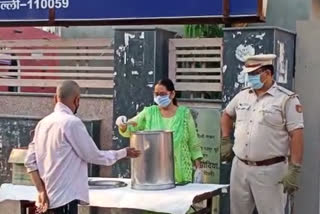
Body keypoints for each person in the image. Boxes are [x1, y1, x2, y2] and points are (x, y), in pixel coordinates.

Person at [25, 80, 140, 214]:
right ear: (77, 100)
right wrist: (123, 153)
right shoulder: (72, 123)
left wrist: (41, 191)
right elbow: (94, 156)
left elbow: (29, 162)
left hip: (47, 200)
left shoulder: (42, 124)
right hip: (66, 198)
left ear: (55, 99)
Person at [220, 54, 304, 214]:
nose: (250, 77)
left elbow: (297, 135)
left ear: (268, 73)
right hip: (240, 167)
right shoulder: (243, 95)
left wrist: (295, 168)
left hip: (270, 170)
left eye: (254, 73)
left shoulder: (286, 99)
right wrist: (225, 139)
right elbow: (226, 115)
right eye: (249, 74)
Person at [116, 78, 203, 184]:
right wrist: (122, 125)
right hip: (154, 174)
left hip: (180, 174)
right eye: (156, 94)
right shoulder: (149, 113)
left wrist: (199, 169)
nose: (158, 97)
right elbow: (130, 127)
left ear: (172, 94)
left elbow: (193, 141)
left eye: (162, 94)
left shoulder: (184, 114)